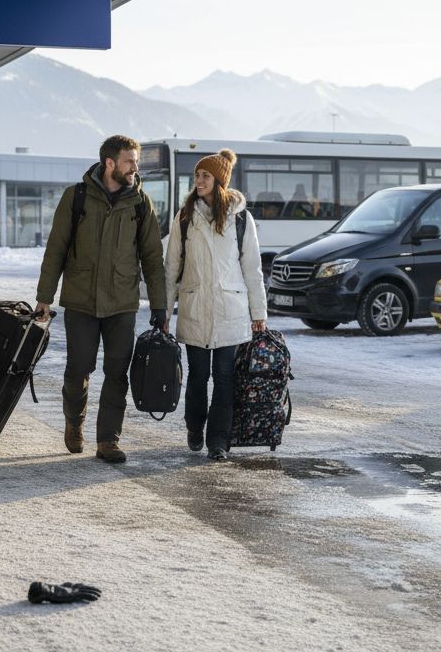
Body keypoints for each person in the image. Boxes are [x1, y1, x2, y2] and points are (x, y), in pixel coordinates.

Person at [35, 135, 167, 463]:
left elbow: (153, 258)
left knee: (117, 372)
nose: (135, 168)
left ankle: (108, 439)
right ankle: (74, 421)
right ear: (110, 164)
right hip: (81, 301)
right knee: (78, 369)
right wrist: (44, 297)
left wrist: (159, 305)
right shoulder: (76, 197)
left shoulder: (141, 203)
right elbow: (56, 249)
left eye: (136, 161)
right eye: (129, 161)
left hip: (122, 303)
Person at [162, 149, 267, 461]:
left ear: (219, 180)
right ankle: (195, 427)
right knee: (197, 376)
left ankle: (218, 441)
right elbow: (171, 268)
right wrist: (164, 312)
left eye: (205, 175)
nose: (199, 180)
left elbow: (252, 268)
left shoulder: (241, 219)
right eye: (197, 175)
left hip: (229, 311)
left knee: (224, 379)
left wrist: (258, 312)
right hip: (195, 308)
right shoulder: (184, 218)